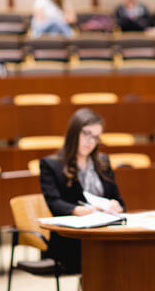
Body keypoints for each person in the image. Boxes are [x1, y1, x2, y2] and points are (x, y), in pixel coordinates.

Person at [39, 108, 125, 273]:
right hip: (71, 240)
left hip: (106, 232)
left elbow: (119, 200)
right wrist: (80, 211)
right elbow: (54, 203)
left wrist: (116, 206)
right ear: (74, 132)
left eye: (95, 137)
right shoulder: (51, 165)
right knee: (107, 262)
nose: (90, 141)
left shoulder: (103, 162)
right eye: (86, 133)